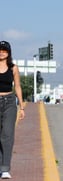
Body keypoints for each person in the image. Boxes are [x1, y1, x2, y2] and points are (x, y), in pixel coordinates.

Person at [0, 40, 25, 179]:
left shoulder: (13, 68)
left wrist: (21, 106)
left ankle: (5, 168)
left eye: (4, 50)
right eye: (0, 49)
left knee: (7, 135)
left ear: (9, 52)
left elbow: (17, 87)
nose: (2, 52)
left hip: (9, 102)